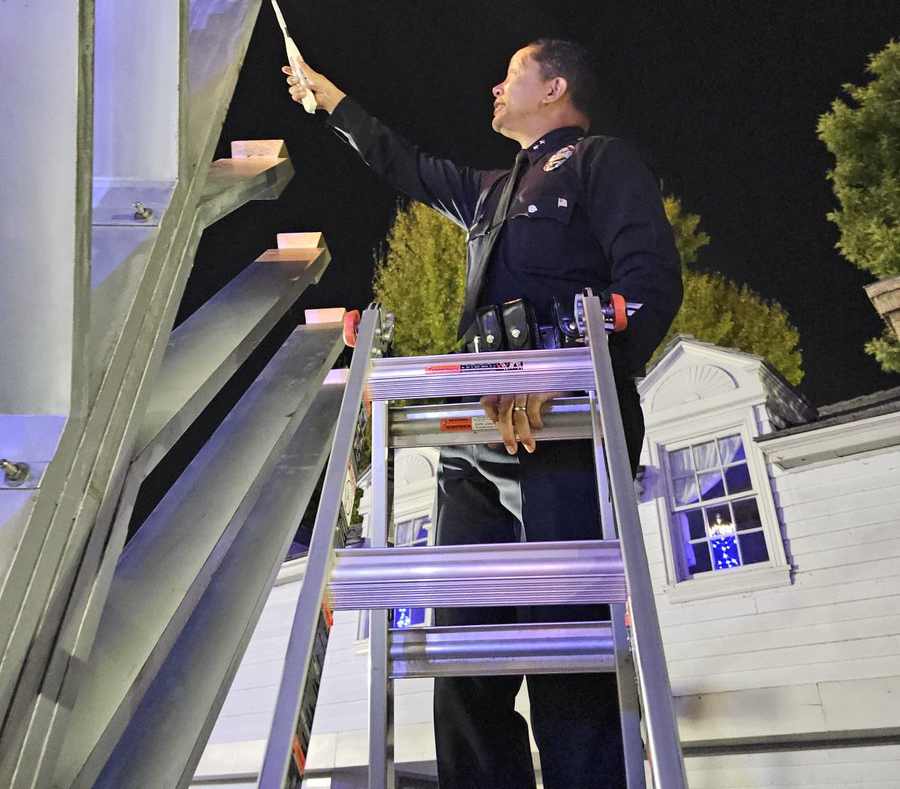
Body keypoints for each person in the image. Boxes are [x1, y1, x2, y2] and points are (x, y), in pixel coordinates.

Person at [285, 39, 682, 789]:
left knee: (568, 652)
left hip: (567, 428)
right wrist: (331, 99)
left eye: (510, 76)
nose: (494, 89)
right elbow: (402, 162)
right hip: (476, 432)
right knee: (462, 659)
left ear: (554, 85)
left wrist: (563, 371)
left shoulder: (601, 163)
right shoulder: (492, 191)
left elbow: (649, 284)